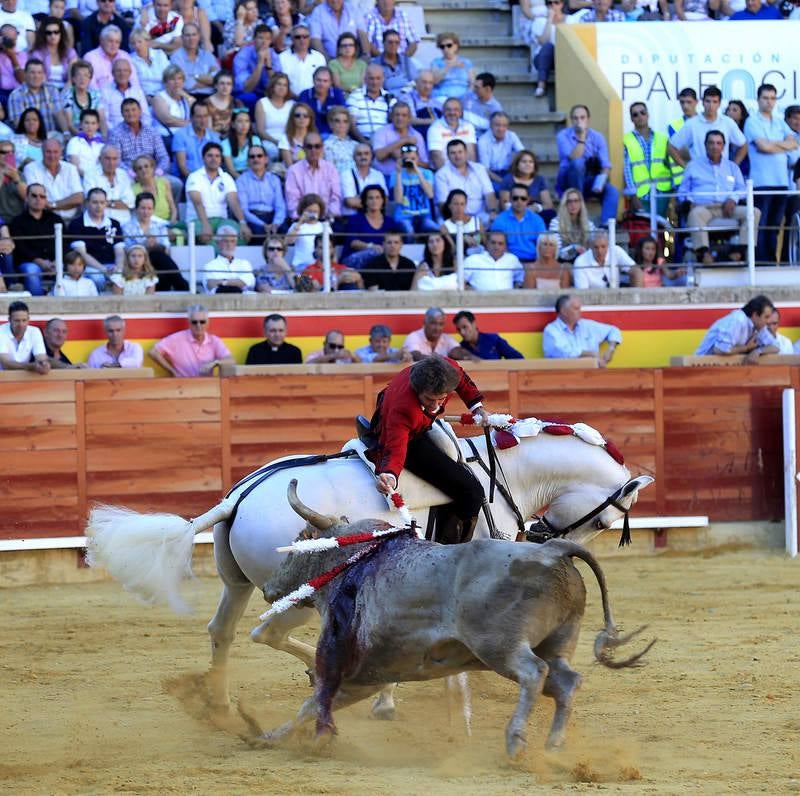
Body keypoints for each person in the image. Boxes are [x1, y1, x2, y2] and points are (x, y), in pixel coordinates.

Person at [366, 354, 490, 544]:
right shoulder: (403, 408)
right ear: (417, 390)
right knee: (471, 492)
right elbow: (396, 447)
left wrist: (477, 408)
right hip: (407, 436)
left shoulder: (447, 368)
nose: (434, 406)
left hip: (416, 423)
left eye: (441, 399)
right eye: (429, 399)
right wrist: (389, 475)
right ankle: (447, 550)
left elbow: (462, 379)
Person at [678, 130, 758, 265]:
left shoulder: (732, 167)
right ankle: (703, 254)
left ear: (723, 146)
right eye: (711, 143)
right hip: (703, 208)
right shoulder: (693, 166)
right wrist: (690, 202)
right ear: (705, 145)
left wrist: (733, 199)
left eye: (718, 143)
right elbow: (682, 192)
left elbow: (741, 189)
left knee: (754, 212)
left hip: (727, 207)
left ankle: (739, 252)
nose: (715, 146)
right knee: (695, 214)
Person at [744, 83, 797, 264]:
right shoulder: (752, 121)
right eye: (765, 98)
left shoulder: (780, 121)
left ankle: (771, 261)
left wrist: (772, 144)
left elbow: (793, 143)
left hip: (781, 182)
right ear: (758, 100)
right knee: (761, 224)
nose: (769, 102)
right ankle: (760, 262)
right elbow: (763, 147)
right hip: (761, 182)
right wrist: (780, 144)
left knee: (774, 226)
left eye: (773, 98)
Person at [556, 104, 619, 225]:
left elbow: (606, 165)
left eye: (582, 117)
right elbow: (574, 157)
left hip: (589, 179)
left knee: (612, 191)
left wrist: (600, 182)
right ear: (571, 120)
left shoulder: (598, 137)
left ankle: (607, 226)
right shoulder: (562, 136)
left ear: (588, 119)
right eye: (575, 118)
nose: (579, 121)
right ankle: (579, 207)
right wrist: (582, 137)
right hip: (568, 180)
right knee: (578, 164)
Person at [185, 141, 251, 243]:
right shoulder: (194, 177)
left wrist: (242, 223)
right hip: (197, 220)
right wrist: (205, 224)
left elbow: (234, 202)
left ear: (221, 159)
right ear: (203, 158)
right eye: (210, 156)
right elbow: (197, 202)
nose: (214, 159)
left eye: (217, 156)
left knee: (238, 236)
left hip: (221, 220)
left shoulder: (226, 177)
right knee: (209, 239)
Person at [669, 85, 747, 169]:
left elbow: (743, 145)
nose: (711, 105)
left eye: (714, 102)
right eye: (708, 101)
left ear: (719, 104)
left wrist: (733, 166)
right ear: (702, 102)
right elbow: (671, 148)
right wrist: (687, 168)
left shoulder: (727, 122)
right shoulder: (692, 124)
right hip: (700, 175)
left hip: (722, 174)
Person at [66, 187, 125, 292]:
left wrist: (118, 268)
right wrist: (103, 269)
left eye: (102, 202)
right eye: (95, 202)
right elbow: (82, 254)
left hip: (112, 265)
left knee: (121, 277)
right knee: (97, 279)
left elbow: (120, 252)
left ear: (106, 203)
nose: (99, 206)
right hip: (90, 267)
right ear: (87, 203)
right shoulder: (77, 224)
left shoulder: (114, 223)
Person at [150, 304, 235, 377]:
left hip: (207, 386)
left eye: (202, 322)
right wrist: (172, 371)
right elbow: (153, 352)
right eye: (194, 322)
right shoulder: (177, 338)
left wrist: (215, 363)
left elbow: (230, 360)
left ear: (207, 323)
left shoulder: (214, 340)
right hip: (184, 386)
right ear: (189, 323)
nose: (198, 325)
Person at [9, 181, 60, 295]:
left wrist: (56, 261)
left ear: (46, 200)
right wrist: (40, 262)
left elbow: (65, 244)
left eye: (42, 196)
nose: (38, 199)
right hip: (29, 263)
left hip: (55, 262)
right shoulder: (17, 222)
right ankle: (40, 306)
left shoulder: (56, 219)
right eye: (34, 195)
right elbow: (20, 249)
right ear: (26, 198)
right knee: (31, 271)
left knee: (71, 268)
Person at [542, 294, 622, 366]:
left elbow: (613, 330)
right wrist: (591, 354)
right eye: (576, 309)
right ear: (564, 311)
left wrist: (611, 348)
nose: (580, 312)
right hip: (564, 376)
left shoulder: (587, 325)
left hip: (592, 374)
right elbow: (563, 352)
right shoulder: (551, 330)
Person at [694, 295, 778, 363]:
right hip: (701, 365)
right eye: (766, 317)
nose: (768, 321)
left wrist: (757, 352)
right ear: (755, 315)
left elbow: (775, 347)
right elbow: (720, 349)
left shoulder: (758, 326)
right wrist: (746, 348)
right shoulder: (738, 319)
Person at [623, 101, 672, 217]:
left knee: (662, 232)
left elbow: (671, 167)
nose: (640, 116)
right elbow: (627, 171)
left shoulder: (662, 138)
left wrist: (672, 196)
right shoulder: (626, 140)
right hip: (641, 196)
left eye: (642, 113)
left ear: (648, 115)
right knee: (644, 232)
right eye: (635, 115)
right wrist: (633, 196)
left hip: (663, 194)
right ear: (631, 119)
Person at [434, 138, 497, 226]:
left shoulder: (480, 169)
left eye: (460, 152)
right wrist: (462, 220)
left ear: (466, 153)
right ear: (447, 156)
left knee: (496, 221)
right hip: (453, 217)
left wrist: (493, 211)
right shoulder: (441, 174)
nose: (457, 156)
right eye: (453, 153)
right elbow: (443, 204)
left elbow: (489, 194)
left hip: (480, 215)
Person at [108, 98, 172, 184]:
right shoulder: (115, 133)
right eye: (127, 111)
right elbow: (117, 160)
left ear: (140, 111)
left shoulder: (152, 131)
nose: (130, 113)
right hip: (129, 175)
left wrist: (157, 173)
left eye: (133, 110)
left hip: (153, 173)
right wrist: (133, 174)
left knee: (176, 184)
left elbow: (163, 157)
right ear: (122, 113)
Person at [22, 138, 82, 222]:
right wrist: (67, 203)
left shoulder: (71, 168)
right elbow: (36, 199)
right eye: (48, 152)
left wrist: (53, 205)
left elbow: (78, 198)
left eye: (55, 152)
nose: (52, 156)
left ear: (61, 153)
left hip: (71, 220)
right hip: (43, 220)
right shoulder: (31, 168)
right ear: (42, 152)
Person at [284, 131, 341, 220]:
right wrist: (307, 219)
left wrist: (329, 216)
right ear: (303, 149)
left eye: (317, 146)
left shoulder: (330, 169)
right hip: (302, 221)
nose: (313, 150)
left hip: (327, 219)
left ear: (322, 148)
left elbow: (336, 198)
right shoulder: (293, 171)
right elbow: (292, 203)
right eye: (309, 147)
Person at [338, 183, 398, 267]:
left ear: (383, 201)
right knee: (376, 253)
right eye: (370, 198)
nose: (374, 201)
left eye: (378, 198)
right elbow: (353, 243)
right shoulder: (355, 219)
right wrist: (370, 246)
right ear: (365, 201)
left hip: (380, 261)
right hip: (352, 260)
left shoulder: (390, 222)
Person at [235, 143, 286, 238]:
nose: (256, 159)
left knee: (284, 230)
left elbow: (280, 206)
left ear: (266, 159)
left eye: (259, 156)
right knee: (259, 232)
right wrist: (263, 225)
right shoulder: (241, 180)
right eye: (252, 157)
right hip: (253, 218)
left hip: (272, 216)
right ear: (248, 161)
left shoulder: (274, 179)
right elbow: (244, 210)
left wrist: (276, 223)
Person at [390, 142, 438, 239]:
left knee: (435, 230)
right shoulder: (395, 174)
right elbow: (398, 200)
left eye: (413, 159)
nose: (410, 162)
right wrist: (399, 173)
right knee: (408, 230)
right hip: (403, 216)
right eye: (407, 159)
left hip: (424, 215)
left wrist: (417, 170)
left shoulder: (427, 173)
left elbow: (430, 194)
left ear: (418, 158)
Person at [491, 184, 546, 265]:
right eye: (515, 198)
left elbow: (543, 245)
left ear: (528, 200)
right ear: (510, 199)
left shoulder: (537, 220)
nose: (519, 201)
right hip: (508, 263)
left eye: (523, 198)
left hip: (533, 262)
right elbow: (496, 246)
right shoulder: (500, 220)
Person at [372, 100, 427, 177]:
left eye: (404, 115)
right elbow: (379, 156)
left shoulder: (417, 135)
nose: (400, 118)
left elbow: (425, 165)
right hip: (385, 176)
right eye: (397, 115)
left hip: (411, 178)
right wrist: (404, 140)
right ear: (391, 117)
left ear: (409, 118)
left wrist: (405, 159)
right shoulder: (381, 132)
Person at [7, 57, 64, 131]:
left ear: (43, 75)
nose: (36, 76)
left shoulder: (52, 90)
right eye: (32, 72)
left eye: (39, 73)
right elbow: (18, 123)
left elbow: (59, 114)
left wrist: (66, 133)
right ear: (25, 74)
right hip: (29, 138)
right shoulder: (15, 95)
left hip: (53, 136)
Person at [84, 143, 135, 225]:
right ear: (100, 159)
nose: (111, 163)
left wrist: (105, 202)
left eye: (114, 159)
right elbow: (91, 201)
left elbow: (130, 203)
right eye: (107, 158)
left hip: (124, 223)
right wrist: (118, 202)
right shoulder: (90, 174)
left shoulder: (123, 175)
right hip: (100, 223)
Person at [523, 0, 565, 98]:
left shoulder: (570, 19)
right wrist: (549, 20)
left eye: (556, 2)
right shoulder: (540, 21)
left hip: (562, 57)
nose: (552, 5)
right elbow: (544, 41)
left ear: (562, 4)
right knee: (548, 46)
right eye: (549, 3)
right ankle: (541, 85)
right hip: (542, 58)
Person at [346, 62, 395, 143]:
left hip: (385, 143)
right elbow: (352, 125)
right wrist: (364, 142)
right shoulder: (355, 96)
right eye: (371, 78)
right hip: (361, 142)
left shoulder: (390, 98)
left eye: (378, 78)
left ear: (383, 79)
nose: (375, 82)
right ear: (365, 79)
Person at [573, 230, 638, 289]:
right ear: (590, 246)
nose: (600, 251)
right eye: (596, 247)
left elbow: (636, 271)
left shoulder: (616, 250)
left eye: (603, 246)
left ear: (608, 245)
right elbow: (583, 293)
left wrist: (636, 298)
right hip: (592, 299)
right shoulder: (580, 262)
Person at [84, 25, 140, 93]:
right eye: (110, 41)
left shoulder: (125, 56)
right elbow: (91, 87)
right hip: (101, 100)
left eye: (117, 42)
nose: (114, 45)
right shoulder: (90, 57)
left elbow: (134, 81)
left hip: (126, 98)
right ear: (101, 41)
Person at [233, 23, 277, 109]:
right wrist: (260, 64)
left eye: (267, 39)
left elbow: (277, 85)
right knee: (248, 97)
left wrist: (268, 66)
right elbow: (246, 88)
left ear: (271, 41)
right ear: (254, 39)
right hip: (247, 93)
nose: (264, 42)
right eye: (261, 38)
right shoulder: (242, 56)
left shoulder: (274, 55)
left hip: (267, 93)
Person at [498, 149, 553, 218]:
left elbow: (548, 204)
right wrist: (523, 209)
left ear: (534, 165)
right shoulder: (508, 179)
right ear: (517, 165)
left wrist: (537, 208)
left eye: (531, 162)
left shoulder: (539, 179)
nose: (528, 164)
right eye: (524, 162)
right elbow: (504, 205)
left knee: (550, 214)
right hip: (513, 213)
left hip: (534, 213)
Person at [172, 100, 218, 180]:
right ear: (191, 117)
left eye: (205, 116)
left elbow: (216, 164)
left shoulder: (214, 138)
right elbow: (182, 166)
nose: (203, 120)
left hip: (209, 180)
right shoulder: (180, 135)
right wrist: (197, 182)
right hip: (187, 179)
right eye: (199, 117)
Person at [477, 111, 524, 191]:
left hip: (509, 172)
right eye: (497, 125)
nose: (501, 129)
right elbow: (486, 170)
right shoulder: (483, 141)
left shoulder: (512, 136)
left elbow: (523, 154)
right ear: (491, 126)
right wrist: (503, 182)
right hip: (491, 175)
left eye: (504, 125)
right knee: (502, 189)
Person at [61, 59, 108, 139]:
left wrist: (104, 137)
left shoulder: (96, 95)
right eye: (79, 75)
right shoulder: (67, 96)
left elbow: (102, 119)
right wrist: (84, 137)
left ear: (90, 79)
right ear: (73, 78)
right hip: (75, 135)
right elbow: (69, 124)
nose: (82, 79)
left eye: (86, 75)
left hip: (94, 134)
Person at [169, 22, 218, 97]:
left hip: (212, 95)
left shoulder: (208, 56)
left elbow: (217, 79)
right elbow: (186, 84)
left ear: (199, 36)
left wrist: (194, 76)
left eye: (194, 35)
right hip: (189, 96)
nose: (191, 38)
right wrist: (208, 81)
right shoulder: (176, 57)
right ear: (182, 38)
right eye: (187, 35)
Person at [426, 97, 476, 170]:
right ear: (442, 111)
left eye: (456, 110)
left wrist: (469, 172)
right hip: (444, 171)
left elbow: (471, 153)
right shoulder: (434, 128)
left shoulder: (468, 126)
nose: (452, 113)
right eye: (448, 110)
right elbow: (436, 156)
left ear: (461, 112)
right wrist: (450, 177)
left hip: (465, 170)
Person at [0, 300, 49, 373]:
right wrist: (31, 366)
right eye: (17, 321)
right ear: (9, 320)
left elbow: (41, 356)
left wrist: (43, 364)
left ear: (28, 319)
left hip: (24, 378)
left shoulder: (34, 331)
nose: (21, 324)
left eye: (24, 320)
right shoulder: (1, 331)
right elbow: (6, 364)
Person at [203, 223, 255, 292]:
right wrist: (237, 282)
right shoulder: (210, 266)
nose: (229, 245)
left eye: (232, 241)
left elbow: (249, 282)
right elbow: (211, 285)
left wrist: (223, 282)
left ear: (236, 243)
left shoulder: (245, 263)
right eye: (225, 241)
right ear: (218, 243)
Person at [452, 310, 523, 360]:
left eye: (465, 327)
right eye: (459, 329)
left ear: (474, 324)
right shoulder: (460, 348)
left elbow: (518, 359)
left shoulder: (493, 340)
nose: (462, 332)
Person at [254, 71, 294, 161]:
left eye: (285, 85)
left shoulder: (292, 105)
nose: (282, 87)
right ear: (272, 86)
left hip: (288, 141)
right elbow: (260, 131)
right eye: (279, 84)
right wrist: (276, 142)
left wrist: (285, 143)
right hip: (269, 141)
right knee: (271, 150)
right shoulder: (262, 103)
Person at [548, 187, 595, 262]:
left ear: (581, 203)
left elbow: (595, 247)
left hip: (585, 261)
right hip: (563, 263)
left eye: (576, 201)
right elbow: (556, 252)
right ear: (564, 204)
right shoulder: (555, 223)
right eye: (569, 201)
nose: (573, 204)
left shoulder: (589, 224)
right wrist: (574, 248)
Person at [29, 15, 75, 91]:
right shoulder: (37, 53)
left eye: (56, 32)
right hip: (44, 90)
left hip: (66, 90)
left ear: (61, 33)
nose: (53, 36)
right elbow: (40, 79)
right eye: (48, 33)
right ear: (44, 34)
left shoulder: (70, 52)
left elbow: (72, 78)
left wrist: (65, 92)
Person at [278, 22, 326, 95]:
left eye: (305, 37)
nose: (302, 40)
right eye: (298, 37)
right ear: (292, 39)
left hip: (313, 100)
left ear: (309, 38)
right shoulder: (282, 57)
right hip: (289, 100)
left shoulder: (319, 57)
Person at [297, 65, 345, 136]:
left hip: (333, 135)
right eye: (318, 80)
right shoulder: (305, 95)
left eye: (325, 81)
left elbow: (344, 116)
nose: (321, 84)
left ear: (331, 82)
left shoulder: (337, 94)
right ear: (313, 80)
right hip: (309, 136)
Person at [340, 142, 386, 215]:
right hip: (351, 218)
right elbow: (350, 201)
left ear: (371, 156)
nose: (363, 157)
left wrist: (360, 200)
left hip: (374, 218)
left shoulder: (378, 175)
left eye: (366, 153)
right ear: (353, 157)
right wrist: (374, 203)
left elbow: (385, 199)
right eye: (359, 154)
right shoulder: (346, 175)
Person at [666, 87, 698, 190]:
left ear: (696, 102)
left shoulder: (706, 122)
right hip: (682, 178)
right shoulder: (674, 126)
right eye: (682, 102)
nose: (685, 106)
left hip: (705, 177)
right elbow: (679, 151)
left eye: (689, 102)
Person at [151, 64, 193, 137]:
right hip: (166, 137)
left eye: (179, 78)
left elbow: (199, 110)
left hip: (185, 135)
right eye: (172, 79)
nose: (176, 82)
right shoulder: (159, 98)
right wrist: (192, 124)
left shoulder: (186, 97)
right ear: (165, 82)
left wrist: (187, 96)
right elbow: (168, 120)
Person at [430, 31, 473, 103]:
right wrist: (449, 66)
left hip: (464, 97)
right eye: (442, 47)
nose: (445, 49)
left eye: (449, 45)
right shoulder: (436, 62)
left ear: (456, 46)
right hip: (443, 97)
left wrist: (467, 96)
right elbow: (434, 81)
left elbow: (472, 83)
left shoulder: (466, 62)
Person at [370, 28, 416, 95]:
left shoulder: (406, 61)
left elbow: (414, 82)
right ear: (383, 43)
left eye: (397, 43)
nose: (393, 45)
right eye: (390, 42)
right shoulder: (375, 64)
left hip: (407, 97)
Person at [285, 192, 325, 269]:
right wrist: (300, 222)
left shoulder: (324, 227)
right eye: (309, 211)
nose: (312, 214)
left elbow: (332, 249)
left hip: (320, 267)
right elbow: (287, 241)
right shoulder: (296, 226)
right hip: (301, 265)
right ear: (303, 210)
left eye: (315, 211)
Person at [130, 28, 170, 98]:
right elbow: (134, 84)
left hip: (164, 92)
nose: (136, 46)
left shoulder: (159, 54)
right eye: (133, 43)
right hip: (145, 96)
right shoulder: (131, 60)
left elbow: (168, 75)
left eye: (139, 42)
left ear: (147, 42)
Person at [66, 108, 105, 178]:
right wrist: (90, 178)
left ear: (98, 125)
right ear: (80, 124)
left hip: (98, 180)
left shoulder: (101, 144)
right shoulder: (74, 142)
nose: (90, 126)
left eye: (93, 123)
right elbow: (74, 168)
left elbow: (103, 166)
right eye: (87, 123)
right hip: (80, 179)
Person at [279, 99, 316, 166]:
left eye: (305, 115)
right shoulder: (285, 139)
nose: (302, 118)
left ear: (310, 119)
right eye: (297, 115)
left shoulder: (315, 138)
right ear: (292, 118)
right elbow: (290, 166)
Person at [328, 31, 365, 95]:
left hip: (359, 97)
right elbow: (337, 85)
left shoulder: (362, 64)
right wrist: (348, 89)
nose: (348, 48)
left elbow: (363, 85)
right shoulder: (333, 64)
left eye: (351, 45)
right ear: (339, 48)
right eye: (344, 45)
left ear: (355, 48)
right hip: (341, 97)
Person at [322, 105, 357, 172]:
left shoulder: (356, 145)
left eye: (345, 121)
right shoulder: (325, 145)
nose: (342, 124)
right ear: (330, 123)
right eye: (337, 121)